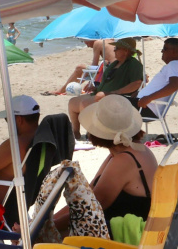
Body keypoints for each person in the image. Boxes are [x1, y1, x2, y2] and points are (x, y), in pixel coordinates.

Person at [54, 95, 157, 232]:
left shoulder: (124, 160)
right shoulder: (131, 151)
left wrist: (45, 228)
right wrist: (48, 221)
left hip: (120, 241)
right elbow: (85, 198)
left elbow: (90, 209)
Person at [68, 38, 144, 139]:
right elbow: (107, 81)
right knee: (72, 102)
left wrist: (116, 92)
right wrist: (95, 87)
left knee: (85, 104)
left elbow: (137, 83)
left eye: (117, 48)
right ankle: (76, 133)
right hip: (101, 93)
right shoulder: (114, 64)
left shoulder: (134, 64)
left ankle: (93, 133)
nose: (114, 50)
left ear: (125, 51)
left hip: (116, 98)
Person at [130, 37, 178, 118]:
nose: (162, 51)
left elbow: (173, 86)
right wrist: (141, 93)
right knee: (114, 101)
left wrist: (149, 98)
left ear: (174, 52)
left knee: (113, 103)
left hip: (146, 108)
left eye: (165, 48)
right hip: (145, 106)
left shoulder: (173, 65)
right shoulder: (174, 66)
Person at [49, 39, 115, 96]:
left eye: (84, 41)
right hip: (116, 69)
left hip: (110, 73)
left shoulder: (97, 43)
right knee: (86, 67)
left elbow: (94, 66)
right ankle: (71, 88)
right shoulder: (111, 40)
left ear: (90, 38)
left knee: (80, 68)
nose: (86, 45)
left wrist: (91, 83)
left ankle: (61, 90)